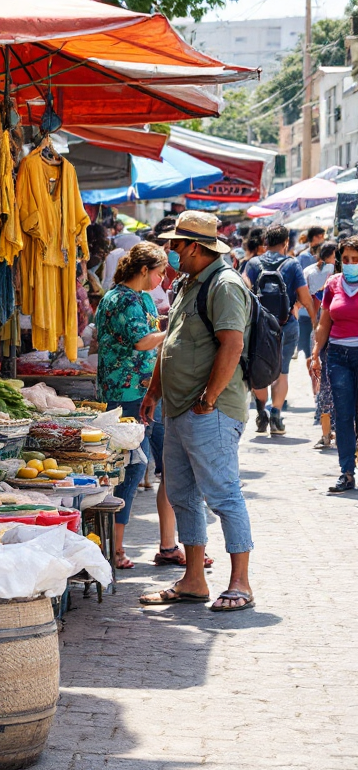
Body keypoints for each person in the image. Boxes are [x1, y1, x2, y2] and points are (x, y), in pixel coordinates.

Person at [140, 210, 254, 612]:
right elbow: (170, 341)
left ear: (194, 246)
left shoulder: (224, 284)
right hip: (179, 407)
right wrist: (155, 390)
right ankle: (193, 580)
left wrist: (208, 399)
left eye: (175, 244)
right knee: (183, 494)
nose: (170, 251)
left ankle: (240, 582)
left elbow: (232, 345)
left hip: (212, 411)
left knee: (223, 494)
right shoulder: (189, 282)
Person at [94, 242, 168, 569]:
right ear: (143, 270)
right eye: (159, 272)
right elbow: (142, 340)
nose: (162, 279)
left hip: (144, 389)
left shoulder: (143, 298)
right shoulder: (122, 299)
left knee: (145, 464)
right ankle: (115, 548)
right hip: (126, 393)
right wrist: (173, 329)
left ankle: (139, 546)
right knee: (131, 465)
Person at [243, 225, 315, 435]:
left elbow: (245, 291)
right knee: (282, 371)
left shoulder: (253, 263)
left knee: (259, 369)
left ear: (265, 242)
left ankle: (261, 412)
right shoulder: (292, 264)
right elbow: (304, 298)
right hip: (286, 325)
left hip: (259, 327)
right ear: (286, 243)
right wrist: (310, 318)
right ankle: (276, 414)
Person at [309, 235, 358, 492]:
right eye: (346, 259)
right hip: (338, 356)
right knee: (343, 414)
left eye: (355, 259)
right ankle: (347, 473)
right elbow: (324, 321)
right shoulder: (333, 283)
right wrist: (316, 352)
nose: (350, 263)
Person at [305, 243, 338, 449]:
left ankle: (331, 434)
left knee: (331, 390)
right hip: (330, 343)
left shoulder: (328, 280)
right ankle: (329, 434)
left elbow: (315, 309)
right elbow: (318, 310)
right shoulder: (332, 281)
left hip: (335, 342)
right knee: (327, 390)